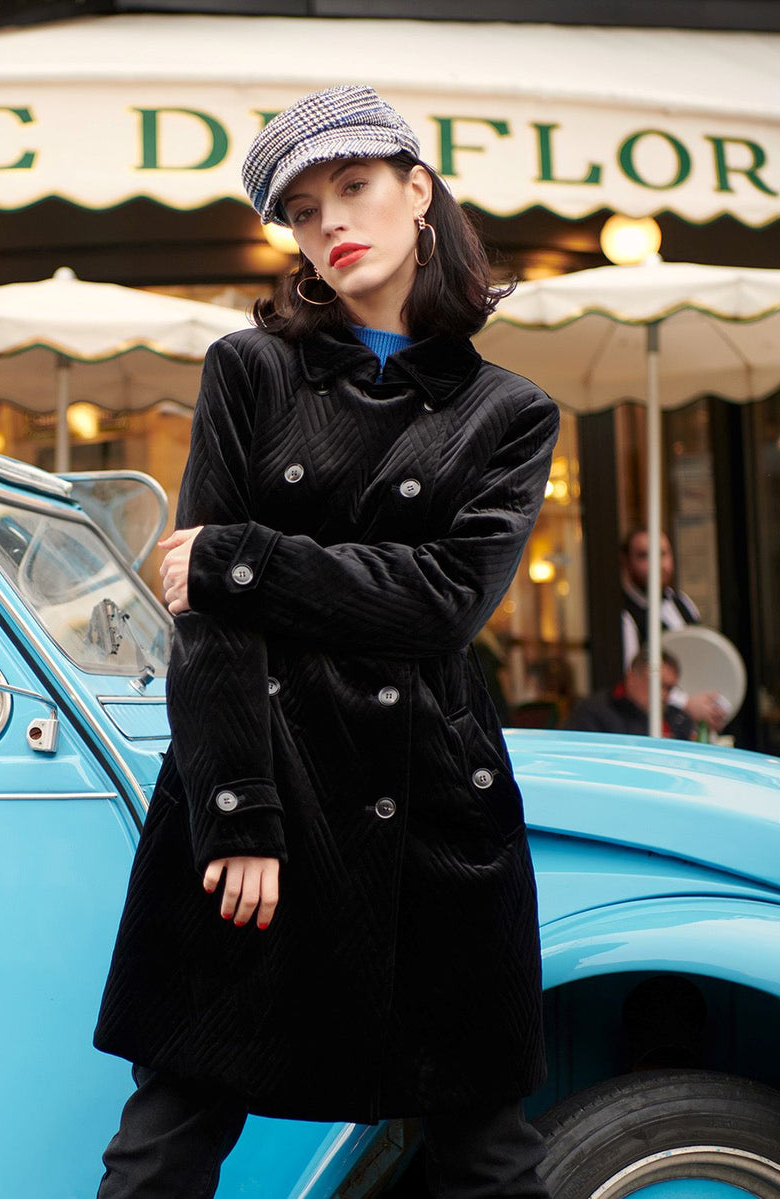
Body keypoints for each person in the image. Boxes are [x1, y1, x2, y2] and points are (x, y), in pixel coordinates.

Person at [93, 84, 560, 1199]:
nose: (331, 223)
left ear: (417, 189)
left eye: (351, 187)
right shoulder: (249, 370)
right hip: (263, 776)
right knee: (165, 1135)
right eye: (302, 210)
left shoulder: (509, 410)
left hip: (431, 807)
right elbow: (208, 636)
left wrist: (238, 556)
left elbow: (445, 602)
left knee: (484, 1153)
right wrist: (238, 811)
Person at [620, 528, 727, 733]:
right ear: (626, 562)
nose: (657, 564)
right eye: (644, 556)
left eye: (663, 554)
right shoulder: (626, 615)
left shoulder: (682, 603)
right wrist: (686, 703)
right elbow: (633, 679)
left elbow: (703, 655)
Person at [565, 647, 695, 739]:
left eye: (669, 688)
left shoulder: (675, 717)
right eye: (657, 685)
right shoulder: (593, 712)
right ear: (632, 679)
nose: (663, 695)